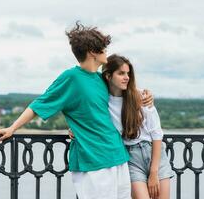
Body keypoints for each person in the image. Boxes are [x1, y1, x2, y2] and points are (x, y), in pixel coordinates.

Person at [0, 22, 153, 199]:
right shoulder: (71, 78)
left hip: (118, 156)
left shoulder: (102, 78)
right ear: (93, 52)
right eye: (103, 48)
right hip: (93, 160)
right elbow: (39, 104)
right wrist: (12, 128)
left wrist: (147, 95)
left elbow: (127, 92)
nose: (106, 52)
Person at [70, 54, 174, 199]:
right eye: (121, 73)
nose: (126, 77)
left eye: (128, 73)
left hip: (154, 155)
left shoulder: (140, 97)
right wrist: (77, 129)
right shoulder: (102, 101)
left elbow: (156, 134)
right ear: (108, 76)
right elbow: (92, 120)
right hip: (130, 157)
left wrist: (154, 172)